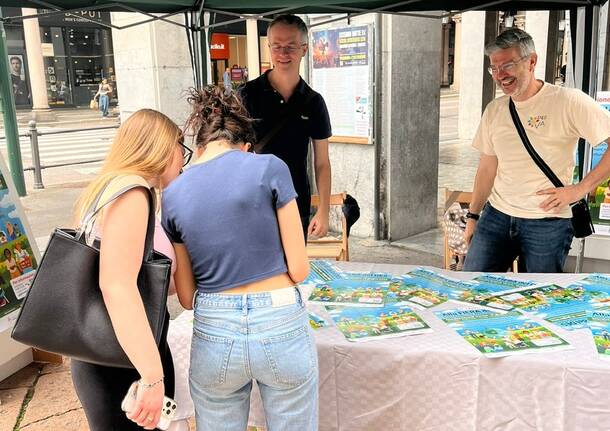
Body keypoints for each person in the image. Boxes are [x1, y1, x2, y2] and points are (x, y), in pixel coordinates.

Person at [162, 86, 316, 431]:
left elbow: (186, 298)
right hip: (279, 318)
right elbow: (300, 268)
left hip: (215, 327)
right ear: (245, 145)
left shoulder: (172, 195)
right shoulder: (270, 168)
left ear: (199, 146)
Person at [70, 109, 185, 430]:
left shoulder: (109, 189)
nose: (182, 158)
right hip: (124, 357)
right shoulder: (133, 192)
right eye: (181, 147)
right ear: (161, 147)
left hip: (103, 349)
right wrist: (151, 376)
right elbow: (117, 285)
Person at [463, 28, 610, 273]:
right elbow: (487, 168)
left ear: (531, 61)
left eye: (507, 65)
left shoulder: (568, 101)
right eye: (494, 68)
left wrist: (579, 189)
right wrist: (473, 216)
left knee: (539, 300)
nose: (500, 75)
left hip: (548, 223)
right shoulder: (495, 110)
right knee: (473, 289)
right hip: (496, 216)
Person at [239, 14, 332, 239]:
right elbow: (229, 151)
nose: (283, 54)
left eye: (290, 46)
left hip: (295, 201)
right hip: (251, 202)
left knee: (294, 271)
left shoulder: (313, 102)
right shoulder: (245, 95)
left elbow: (322, 163)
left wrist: (324, 211)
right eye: (276, 46)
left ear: (304, 49)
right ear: (268, 47)